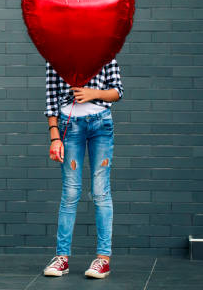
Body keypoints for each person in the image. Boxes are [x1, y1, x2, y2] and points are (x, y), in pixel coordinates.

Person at [42, 59, 124, 279]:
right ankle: (62, 258)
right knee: (70, 193)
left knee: (100, 191)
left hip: (101, 124)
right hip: (70, 126)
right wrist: (54, 137)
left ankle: (103, 259)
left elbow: (117, 91)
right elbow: (51, 100)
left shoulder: (104, 51)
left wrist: (92, 92)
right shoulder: (56, 55)